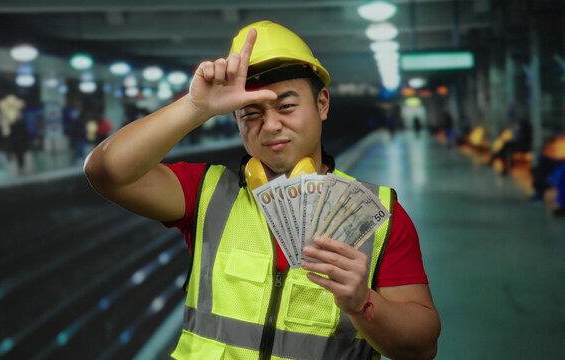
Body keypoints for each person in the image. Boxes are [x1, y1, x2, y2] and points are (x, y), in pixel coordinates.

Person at [84, 21, 440, 359]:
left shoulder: (378, 214)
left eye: (286, 106)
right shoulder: (204, 192)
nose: (271, 125)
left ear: (322, 104)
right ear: (236, 119)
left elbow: (422, 345)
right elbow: (108, 172)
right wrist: (195, 107)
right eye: (251, 113)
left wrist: (363, 303)